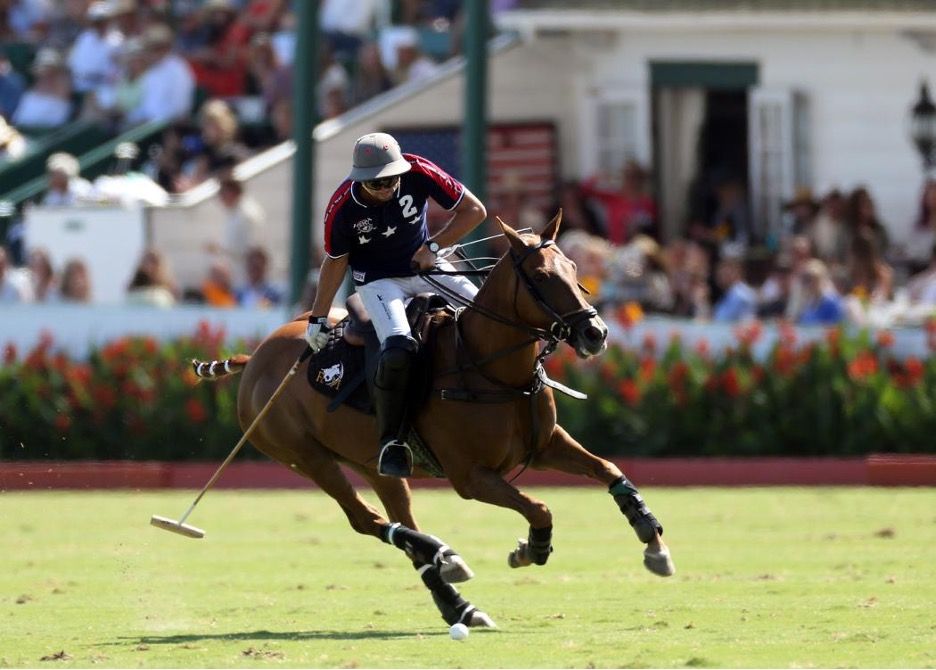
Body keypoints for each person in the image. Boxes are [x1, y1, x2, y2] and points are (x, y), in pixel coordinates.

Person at [304, 132, 486, 477]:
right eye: (378, 184)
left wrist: (433, 247)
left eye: (393, 179)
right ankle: (392, 440)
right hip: (377, 280)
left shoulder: (418, 170)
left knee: (483, 315)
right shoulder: (342, 208)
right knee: (399, 344)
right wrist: (318, 317)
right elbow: (335, 262)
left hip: (425, 264)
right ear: (361, 180)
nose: (388, 188)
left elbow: (474, 211)